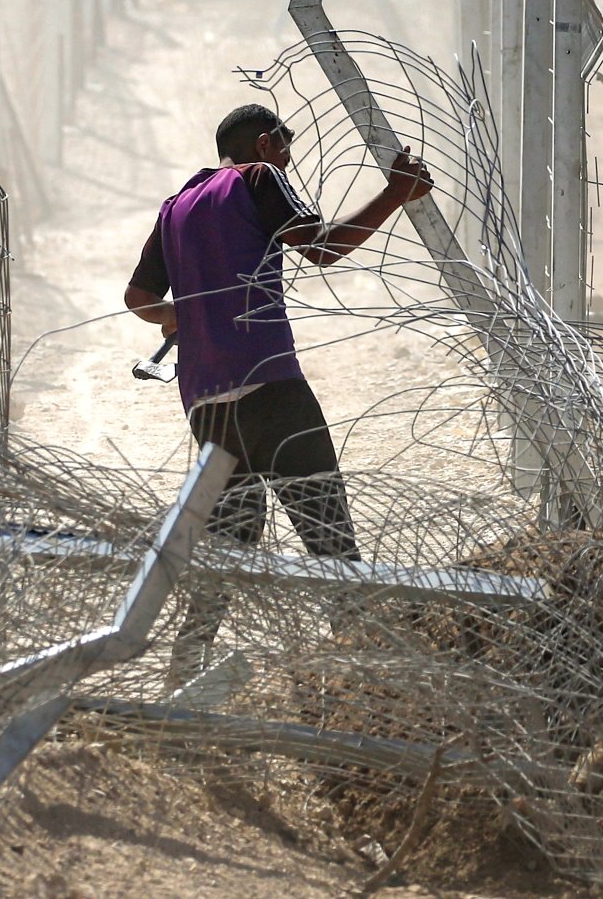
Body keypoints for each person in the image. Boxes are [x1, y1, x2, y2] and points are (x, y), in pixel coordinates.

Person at [124, 102, 432, 685]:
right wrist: (397, 193)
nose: (288, 166)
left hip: (207, 402)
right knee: (328, 532)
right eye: (286, 153)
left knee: (228, 543)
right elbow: (322, 247)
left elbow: (137, 296)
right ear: (265, 145)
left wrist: (181, 318)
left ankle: (183, 671)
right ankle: (369, 673)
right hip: (270, 385)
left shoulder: (175, 209)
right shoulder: (258, 179)